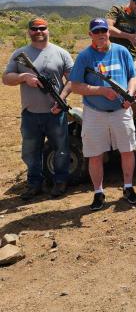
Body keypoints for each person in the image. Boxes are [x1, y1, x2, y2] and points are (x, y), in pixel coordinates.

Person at [69, 18, 136, 211]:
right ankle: (98, 192)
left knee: (127, 150)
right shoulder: (84, 57)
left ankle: (128, 188)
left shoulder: (122, 51)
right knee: (95, 154)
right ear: (90, 34)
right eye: (96, 31)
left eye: (104, 30)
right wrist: (100, 91)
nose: (101, 34)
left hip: (121, 110)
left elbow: (133, 76)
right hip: (95, 112)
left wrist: (130, 93)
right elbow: (75, 86)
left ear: (108, 32)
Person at [3, 18, 73, 200]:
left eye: (42, 28)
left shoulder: (61, 53)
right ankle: (34, 184)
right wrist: (24, 77)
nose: (38, 31)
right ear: (29, 32)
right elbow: (6, 78)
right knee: (30, 151)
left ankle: (60, 182)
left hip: (55, 113)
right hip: (30, 114)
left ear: (48, 30)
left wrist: (62, 99)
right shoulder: (20, 53)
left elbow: (73, 79)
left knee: (61, 150)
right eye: (34, 29)